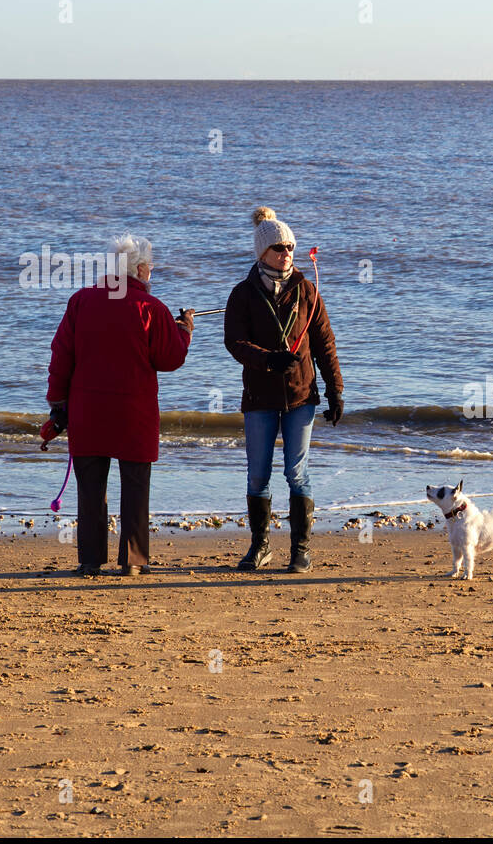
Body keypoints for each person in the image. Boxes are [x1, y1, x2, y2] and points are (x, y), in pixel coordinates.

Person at [46, 235, 193, 576]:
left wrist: (57, 402)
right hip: (133, 413)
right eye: (151, 267)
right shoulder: (151, 308)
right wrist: (184, 330)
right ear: (141, 269)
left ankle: (90, 560)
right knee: (136, 486)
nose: (151, 272)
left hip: (88, 412)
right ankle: (133, 562)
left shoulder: (81, 301)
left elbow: (61, 356)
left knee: (91, 488)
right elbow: (170, 358)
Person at [223, 207, 343, 573]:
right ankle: (260, 547)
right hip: (259, 397)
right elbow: (234, 342)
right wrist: (268, 360)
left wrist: (335, 390)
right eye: (279, 247)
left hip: (301, 397)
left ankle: (300, 550)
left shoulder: (307, 290)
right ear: (262, 253)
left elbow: (325, 343)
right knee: (258, 474)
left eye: (290, 246)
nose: (286, 253)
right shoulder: (242, 293)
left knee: (297, 473)